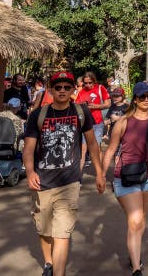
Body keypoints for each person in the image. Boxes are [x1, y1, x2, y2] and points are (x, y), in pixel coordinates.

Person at [24, 71, 105, 276]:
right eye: (58, 87)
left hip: (70, 181)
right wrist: (30, 171)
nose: (62, 90)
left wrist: (99, 173)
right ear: (50, 90)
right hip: (42, 181)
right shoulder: (38, 115)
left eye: (66, 87)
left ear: (72, 90)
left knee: (62, 233)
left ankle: (59, 273)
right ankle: (49, 263)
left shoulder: (81, 112)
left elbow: (93, 144)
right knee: (44, 230)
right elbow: (28, 148)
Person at [102, 81, 148, 276]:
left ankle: (134, 254)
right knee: (135, 220)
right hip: (126, 176)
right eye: (142, 96)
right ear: (135, 98)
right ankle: (136, 269)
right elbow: (110, 150)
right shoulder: (123, 122)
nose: (146, 100)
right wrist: (101, 174)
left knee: (141, 219)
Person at [74, 72, 111, 145]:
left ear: (94, 81)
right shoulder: (81, 92)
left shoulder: (100, 88)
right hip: (85, 122)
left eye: (90, 83)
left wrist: (95, 106)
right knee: (84, 146)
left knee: (97, 146)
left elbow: (108, 104)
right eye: (85, 83)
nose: (88, 85)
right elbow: (77, 106)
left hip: (97, 122)